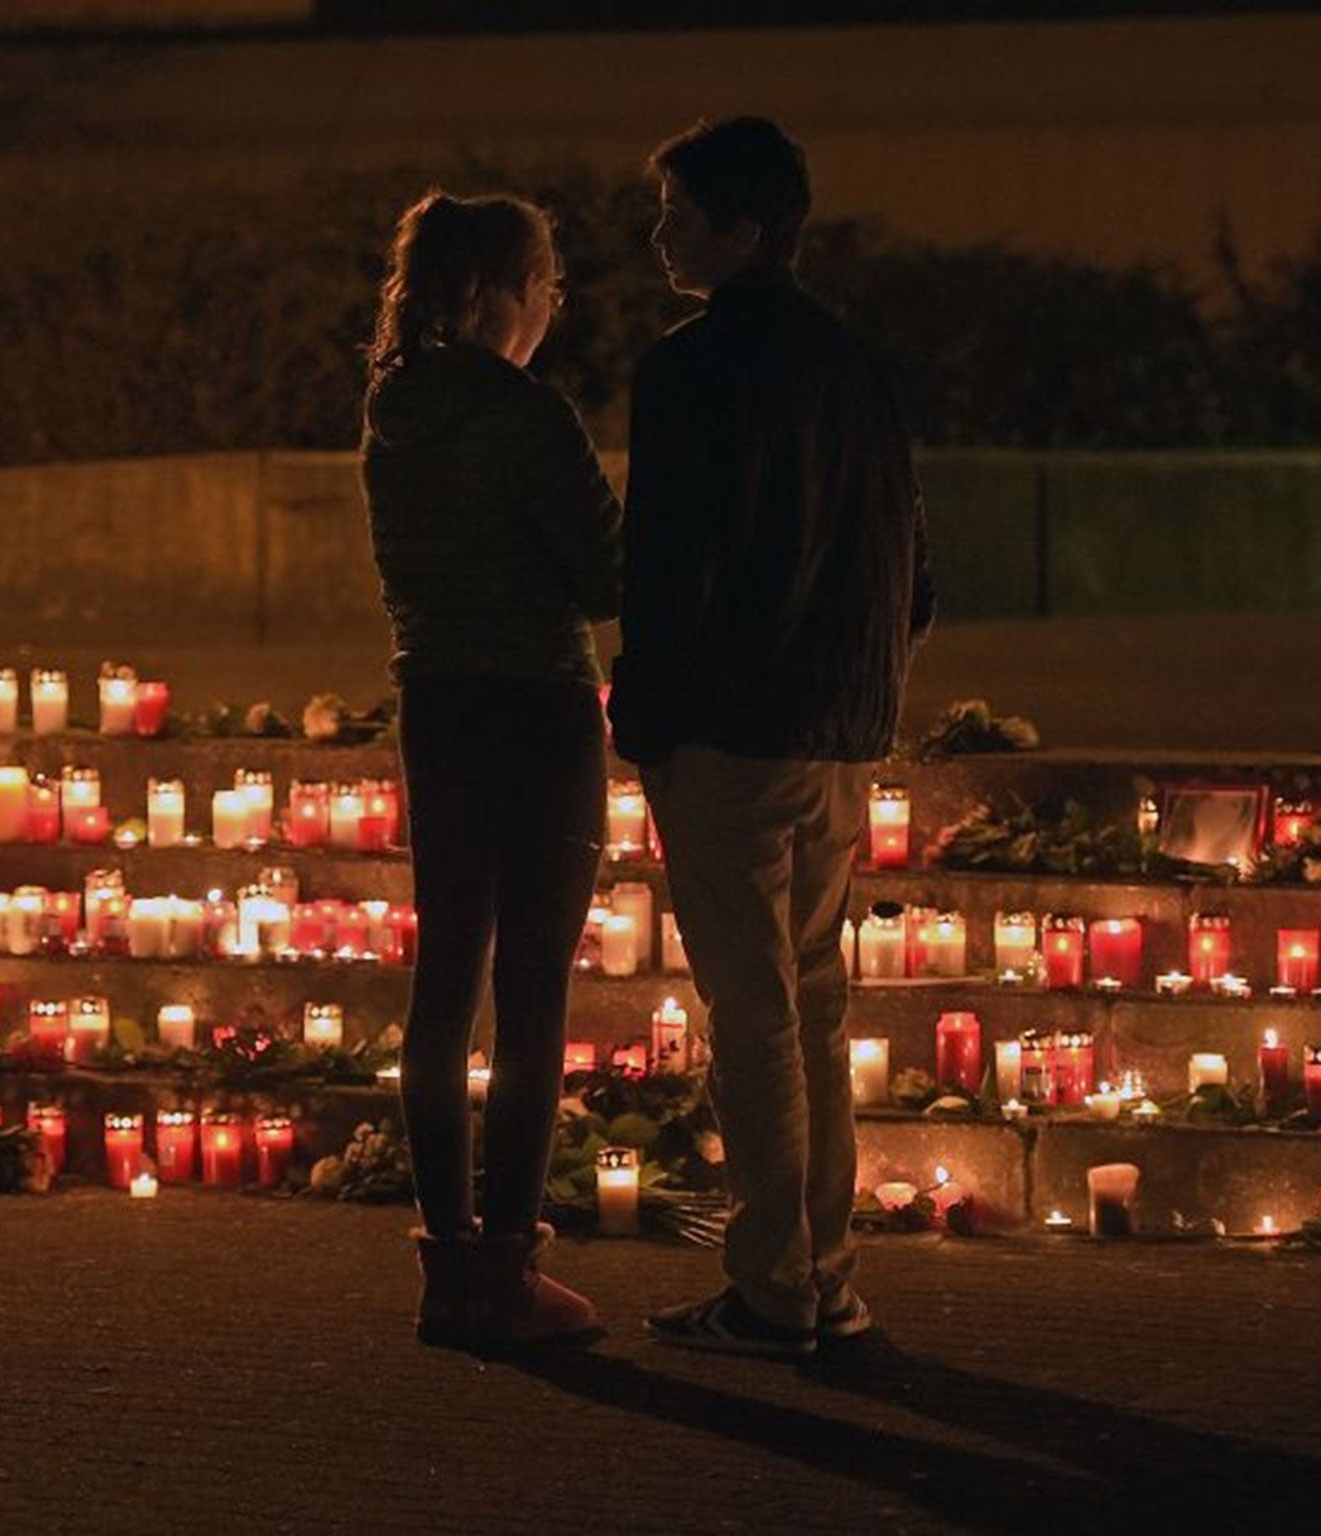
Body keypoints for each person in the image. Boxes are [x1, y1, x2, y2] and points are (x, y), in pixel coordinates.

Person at [608, 118, 934, 1357]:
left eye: (678, 218)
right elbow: (915, 567)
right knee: (811, 1007)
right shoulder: (855, 366)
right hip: (841, 733)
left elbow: (670, 567)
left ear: (742, 233)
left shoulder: (690, 370)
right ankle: (822, 1276)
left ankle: (771, 1290)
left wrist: (645, 722)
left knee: (750, 1019)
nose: (658, 238)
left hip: (732, 737)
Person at [359, 190, 622, 1350]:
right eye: (548, 283)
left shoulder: (392, 405)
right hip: (536, 708)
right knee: (530, 993)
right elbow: (605, 577)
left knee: (442, 981)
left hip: (436, 706)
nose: (551, 306)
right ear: (504, 291)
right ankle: (508, 1265)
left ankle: (442, 1261)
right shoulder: (524, 414)